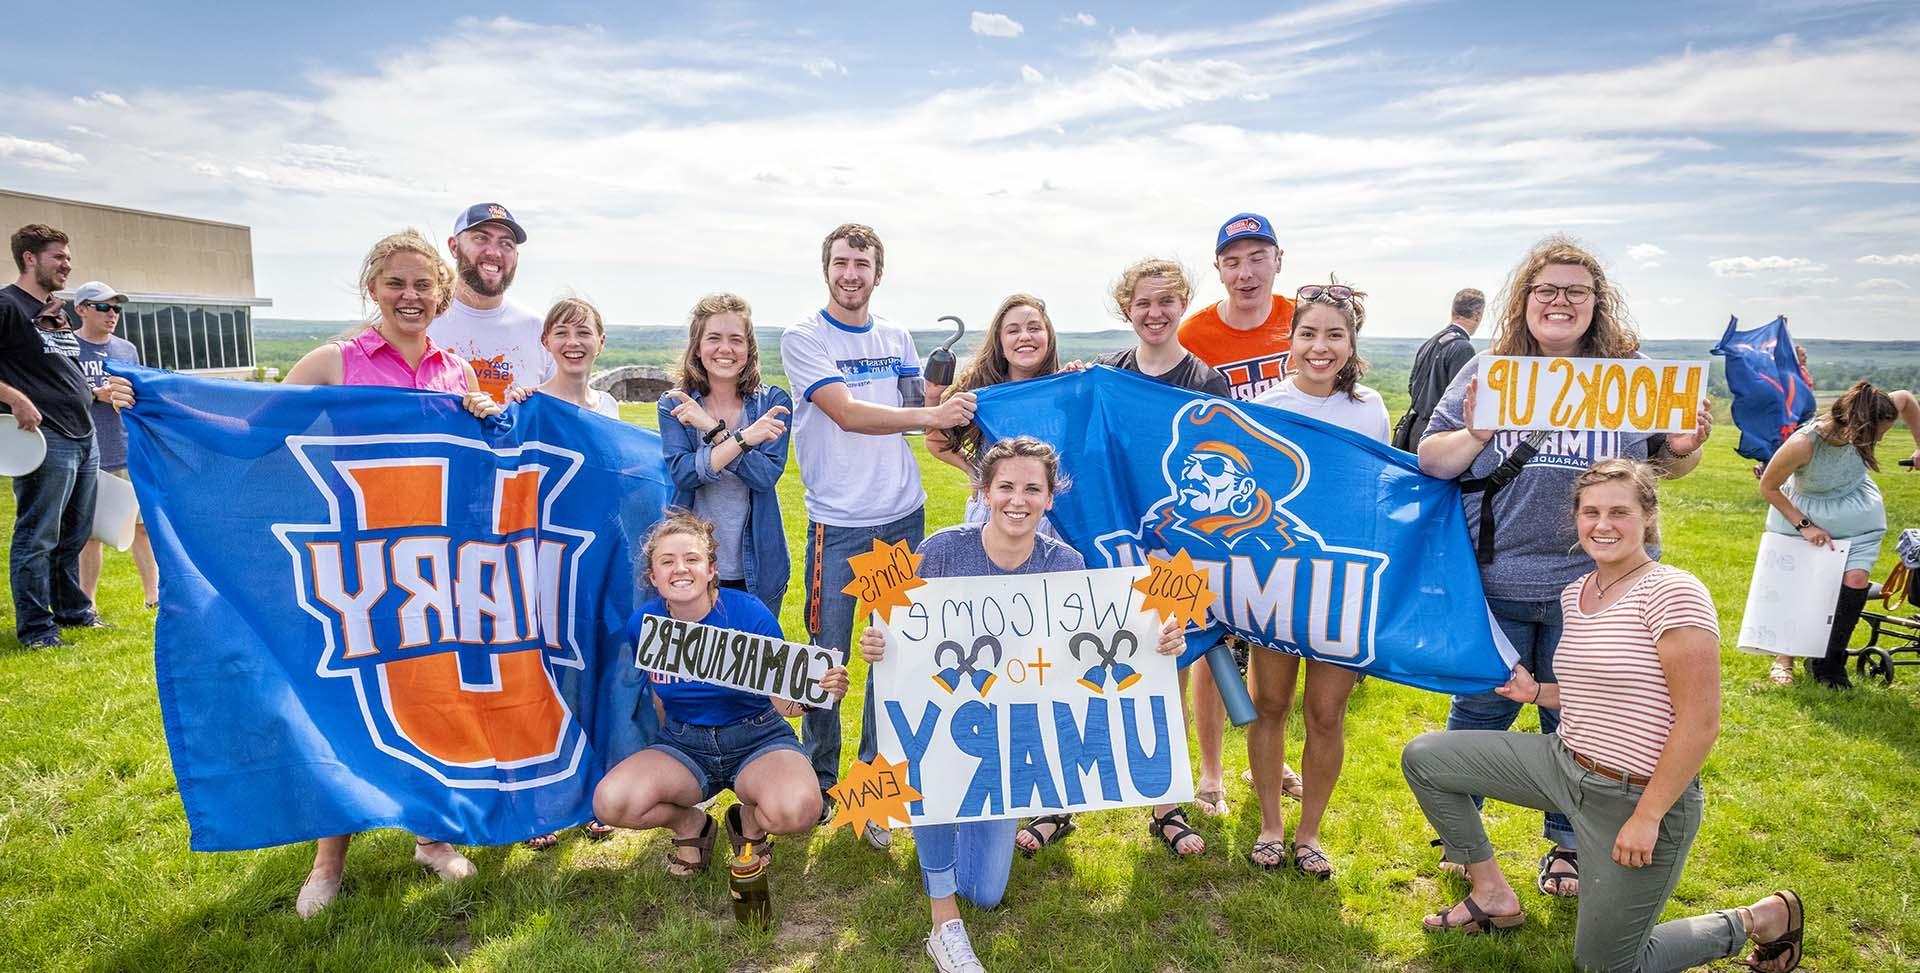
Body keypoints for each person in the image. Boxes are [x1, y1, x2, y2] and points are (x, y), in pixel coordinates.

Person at [1402, 459, 1808, 973]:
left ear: (1648, 517)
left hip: (1636, 795)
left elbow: (1700, 723)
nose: (1602, 524)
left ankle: (1759, 919)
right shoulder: (1580, 592)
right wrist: (1537, 693)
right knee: (1426, 757)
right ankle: (1491, 892)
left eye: (1620, 511)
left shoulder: (1673, 592)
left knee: (1606, 966)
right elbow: (1597, 693)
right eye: (1590, 512)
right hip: (1563, 763)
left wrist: (1648, 816)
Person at [1417, 235, 1712, 899]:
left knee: (1581, 719)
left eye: (1575, 290)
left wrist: (1688, 447)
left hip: (1600, 589)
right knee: (1479, 707)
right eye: (1547, 288)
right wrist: (1480, 434)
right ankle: (1464, 837)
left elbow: (1665, 463)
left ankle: (1569, 846)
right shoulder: (1489, 370)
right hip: (1496, 579)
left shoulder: (1630, 373)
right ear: (1524, 300)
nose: (1560, 300)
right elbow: (1433, 459)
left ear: (1595, 303)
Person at [858, 437, 1184, 973]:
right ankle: (944, 922)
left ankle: (952, 844)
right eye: (1005, 486)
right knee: (933, 781)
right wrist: (879, 644)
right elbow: (899, 632)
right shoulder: (941, 550)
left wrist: (1157, 642)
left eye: (1032, 488)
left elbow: (1092, 643)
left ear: (1050, 498)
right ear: (984, 492)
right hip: (946, 725)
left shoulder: (1066, 562)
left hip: (1009, 742)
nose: (1018, 499)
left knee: (985, 891)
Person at [283, 229, 504, 918]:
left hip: (435, 564)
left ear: (440, 293)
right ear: (372, 287)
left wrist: (487, 417)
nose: (409, 296)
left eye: (421, 285)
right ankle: (327, 862)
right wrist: (153, 400)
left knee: (434, 696)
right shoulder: (335, 361)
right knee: (350, 703)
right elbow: (254, 425)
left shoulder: (457, 372)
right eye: (395, 283)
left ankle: (432, 838)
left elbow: (481, 464)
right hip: (359, 563)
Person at [778, 223, 976, 848]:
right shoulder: (803, 337)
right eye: (840, 262)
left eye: (862, 263)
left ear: (878, 272)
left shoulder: (895, 335)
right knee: (828, 658)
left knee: (890, 656)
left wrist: (956, 390)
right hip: (839, 522)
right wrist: (931, 411)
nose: (851, 274)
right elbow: (848, 412)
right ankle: (820, 777)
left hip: (900, 518)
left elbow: (925, 404)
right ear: (825, 268)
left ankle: (869, 791)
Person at [1025, 258, 1225, 859]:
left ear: (1182, 303)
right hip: (1110, 550)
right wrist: (1072, 389)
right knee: (1078, 668)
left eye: (1166, 300)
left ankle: (1167, 804)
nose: (1154, 312)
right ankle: (1056, 802)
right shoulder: (1105, 375)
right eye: (1143, 302)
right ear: (1126, 309)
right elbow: (1072, 449)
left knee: (1171, 671)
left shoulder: (1205, 382)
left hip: (1177, 553)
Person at [593, 513, 850, 893]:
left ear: (712, 569)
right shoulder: (644, 624)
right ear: (653, 576)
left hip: (756, 736)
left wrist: (818, 692)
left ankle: (749, 822)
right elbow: (658, 693)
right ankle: (691, 826)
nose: (680, 569)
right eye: (667, 561)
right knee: (611, 803)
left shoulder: (748, 613)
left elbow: (783, 704)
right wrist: (666, 744)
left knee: (798, 810)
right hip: (685, 742)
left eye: (692, 559)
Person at [1242, 279, 1389, 876]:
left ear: (1352, 345)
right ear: (1291, 340)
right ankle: (1271, 826)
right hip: (1275, 577)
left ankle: (1310, 835)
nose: (1320, 347)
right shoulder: (1265, 409)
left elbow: (1378, 490)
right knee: (1269, 703)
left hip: (1342, 582)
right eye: (1309, 334)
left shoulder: (1370, 408)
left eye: (1335, 335)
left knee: (1326, 713)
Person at [1174, 214, 1298, 815]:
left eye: (1257, 257)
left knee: (1276, 633)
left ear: (1278, 259)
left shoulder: (1302, 319)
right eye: (1232, 260)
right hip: (1212, 509)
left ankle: (1268, 755)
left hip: (1286, 508)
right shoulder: (1195, 332)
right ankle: (1212, 771)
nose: (1245, 272)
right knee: (1210, 636)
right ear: (1218, 268)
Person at [2, 224, 133, 648]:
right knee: (38, 535)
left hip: (84, 434)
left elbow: (62, 368)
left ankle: (74, 613)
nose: (67, 265)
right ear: (30, 259)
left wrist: (91, 392)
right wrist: (15, 398)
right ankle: (37, 630)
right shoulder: (7, 305)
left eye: (68, 257)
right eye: (58, 257)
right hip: (46, 436)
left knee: (75, 533)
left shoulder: (56, 310)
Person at [1759, 382, 1920, 688]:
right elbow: (1768, 487)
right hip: (1806, 517)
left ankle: (1829, 665)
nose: (1881, 439)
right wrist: (1806, 527)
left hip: (1857, 516)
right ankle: (1785, 658)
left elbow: (1907, 400)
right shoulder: (1805, 444)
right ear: (1859, 425)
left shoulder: (1887, 404)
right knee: (1804, 588)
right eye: (1878, 434)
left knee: (1855, 580)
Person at [657, 293, 793, 615]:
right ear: (698, 347)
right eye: (714, 338)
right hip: (690, 566)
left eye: (736, 339)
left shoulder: (772, 403)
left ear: (749, 349)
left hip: (758, 569)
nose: (725, 349)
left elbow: (764, 477)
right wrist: (743, 439)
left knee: (754, 665)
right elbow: (684, 474)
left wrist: (713, 431)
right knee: (693, 664)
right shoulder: (675, 404)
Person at [925, 293, 1062, 531]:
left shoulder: (1064, 392)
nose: (1025, 337)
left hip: (1049, 516)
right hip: (993, 513)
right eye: (1013, 330)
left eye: (1034, 328)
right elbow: (935, 440)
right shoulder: (979, 394)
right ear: (999, 342)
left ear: (1048, 336)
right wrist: (973, 469)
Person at [70, 280, 159, 609]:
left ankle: (154, 596)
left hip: (128, 449)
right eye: (103, 307)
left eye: (117, 308)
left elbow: (138, 391)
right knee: (91, 533)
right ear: (81, 309)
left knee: (143, 528)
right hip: (88, 452)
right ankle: (87, 602)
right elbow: (62, 396)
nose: (112, 315)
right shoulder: (69, 349)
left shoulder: (126, 350)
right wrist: (95, 394)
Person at [430, 203, 554, 403]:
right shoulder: (421, 322)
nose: (495, 253)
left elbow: (560, 414)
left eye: (506, 244)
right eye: (481, 238)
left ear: (516, 257)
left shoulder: (540, 332)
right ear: (454, 246)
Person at [1765, 343, 1820, 682]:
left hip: (1806, 471)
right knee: (1791, 575)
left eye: (1802, 358)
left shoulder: (1805, 383)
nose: (1800, 363)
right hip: (1787, 485)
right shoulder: (1776, 382)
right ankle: (1783, 654)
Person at [1392, 287, 1483, 451]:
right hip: (1439, 437)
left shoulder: (1431, 342)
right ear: (1478, 315)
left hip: (1415, 430)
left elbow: (1412, 386)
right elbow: (1462, 402)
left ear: (1453, 311)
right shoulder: (1463, 348)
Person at [532, 297, 621, 419]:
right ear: (546, 342)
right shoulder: (530, 406)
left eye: (583, 333)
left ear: (601, 342)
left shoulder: (608, 406)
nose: (572, 342)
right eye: (561, 333)